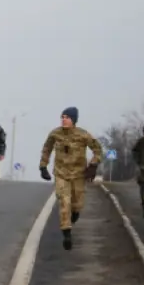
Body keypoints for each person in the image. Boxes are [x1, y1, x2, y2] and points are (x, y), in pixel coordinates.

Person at [39, 107, 102, 250]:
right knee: (64, 201)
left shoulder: (83, 135)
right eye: (62, 117)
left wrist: (93, 164)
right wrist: (43, 166)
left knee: (76, 204)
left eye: (67, 117)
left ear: (73, 120)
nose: (64, 119)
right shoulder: (55, 134)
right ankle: (66, 233)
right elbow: (47, 149)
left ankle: (74, 214)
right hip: (61, 174)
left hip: (79, 175)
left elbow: (97, 149)